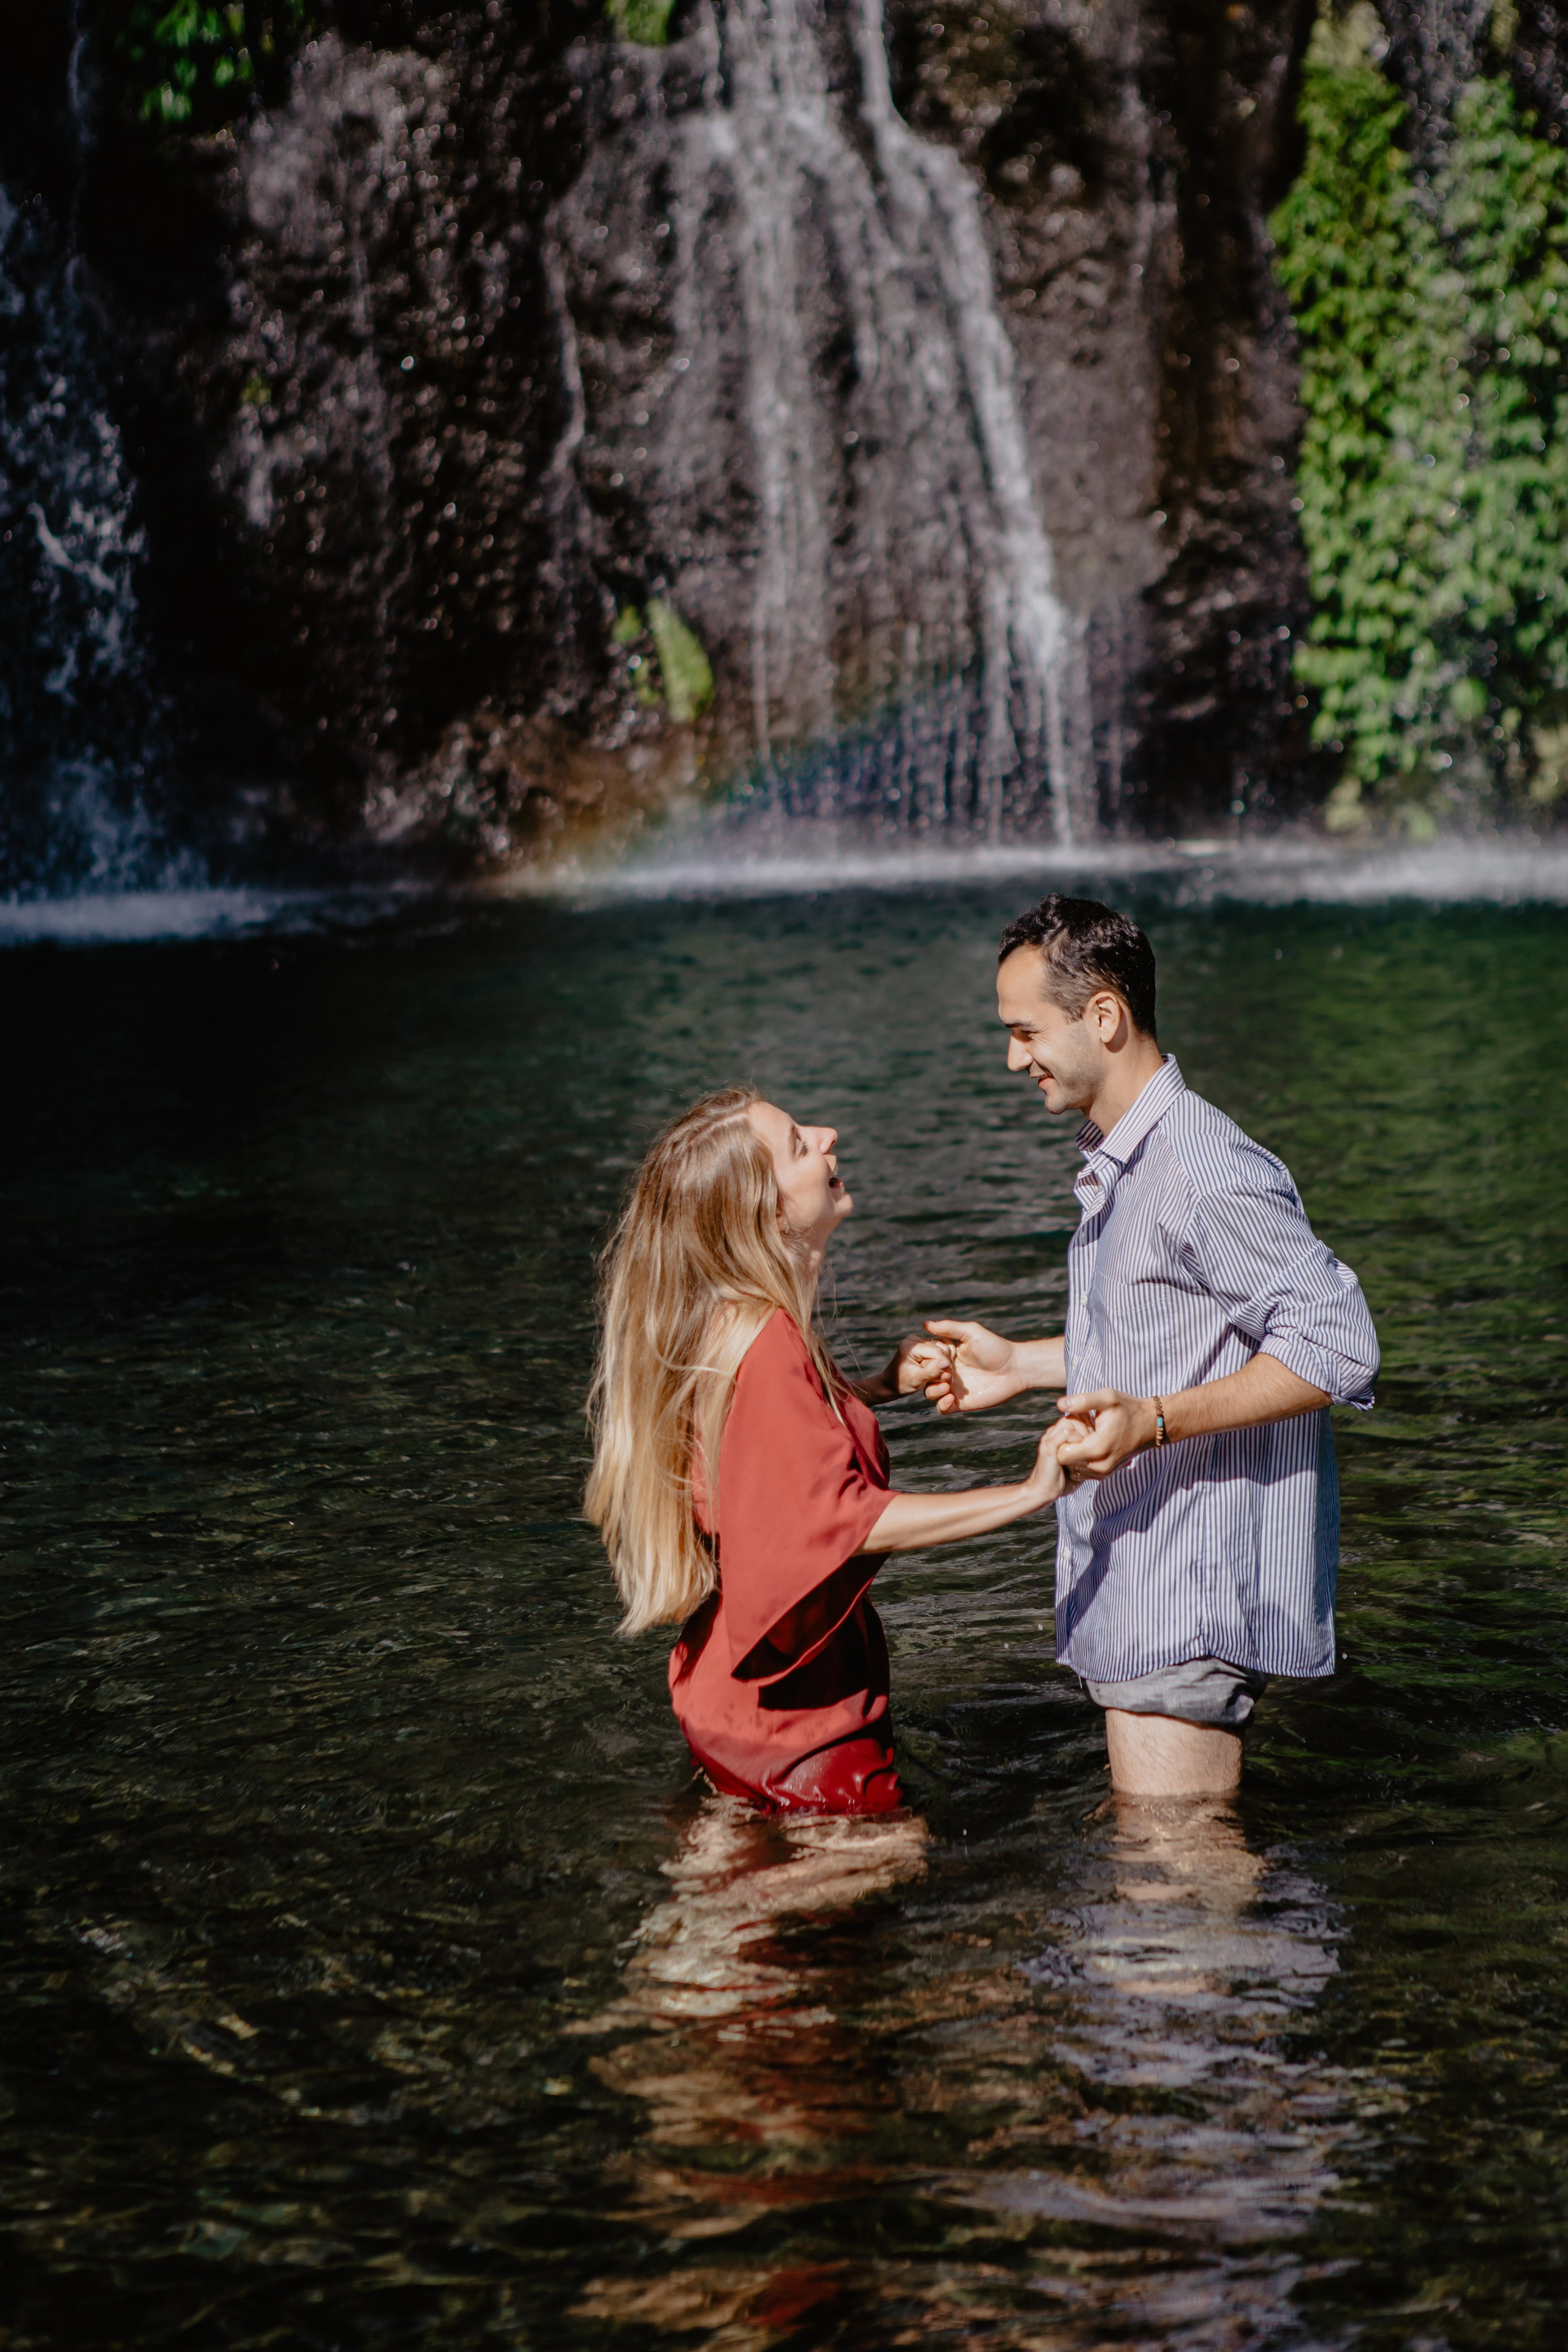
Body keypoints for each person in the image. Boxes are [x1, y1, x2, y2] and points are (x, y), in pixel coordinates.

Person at [923, 895, 1380, 1800]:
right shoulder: (1134, 1161)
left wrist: (1159, 1422)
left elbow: (1338, 1345)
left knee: (1177, 1893)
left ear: (1105, 1016)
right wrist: (1019, 1365)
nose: (1013, 1059)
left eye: (1026, 1032)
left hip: (1187, 1592)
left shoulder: (1200, 1168)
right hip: (1151, 1576)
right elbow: (1179, 1335)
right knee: (1160, 1896)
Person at [585, 1085, 1072, 1815]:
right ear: (768, 1213)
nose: (827, 1133)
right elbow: (841, 1523)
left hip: (735, 1688)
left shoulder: (727, 1325)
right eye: (797, 1144)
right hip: (801, 1715)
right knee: (875, 1886)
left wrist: (875, 1387)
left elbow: (763, 1458)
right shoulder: (768, 1341)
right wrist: (1031, 1491)